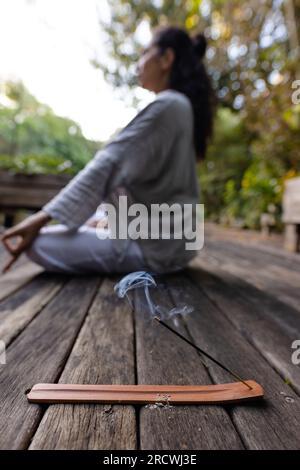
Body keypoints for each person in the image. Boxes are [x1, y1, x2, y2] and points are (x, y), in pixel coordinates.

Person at [1, 25, 215, 275]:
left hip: (155, 248)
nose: (139, 63)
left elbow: (109, 163)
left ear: (167, 59)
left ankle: (110, 231)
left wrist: (41, 218)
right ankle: (107, 225)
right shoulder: (182, 108)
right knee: (94, 217)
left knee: (37, 243)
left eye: (145, 53)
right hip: (178, 244)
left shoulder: (169, 105)